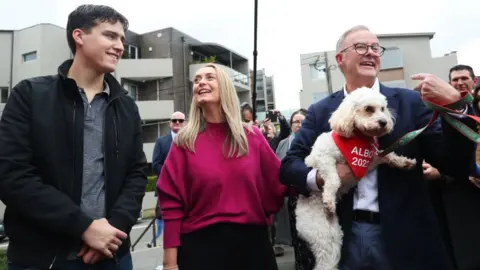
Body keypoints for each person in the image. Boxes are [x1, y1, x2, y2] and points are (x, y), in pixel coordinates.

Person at [280, 25, 476, 270]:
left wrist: (456, 108)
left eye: (375, 48)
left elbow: (455, 164)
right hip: (345, 235)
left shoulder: (410, 102)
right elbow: (289, 166)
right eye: (361, 47)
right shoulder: (321, 111)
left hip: (405, 237)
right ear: (340, 59)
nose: (371, 52)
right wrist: (323, 179)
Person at [0, 4, 147, 269]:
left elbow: (136, 174)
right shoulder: (30, 96)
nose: (120, 46)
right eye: (110, 36)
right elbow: (12, 175)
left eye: (122, 40)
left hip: (112, 255)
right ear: (79, 36)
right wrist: (84, 227)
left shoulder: (126, 106)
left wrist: (112, 230)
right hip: (43, 258)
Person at [158, 64, 287, 270]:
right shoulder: (184, 142)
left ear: (225, 86)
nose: (201, 82)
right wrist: (170, 264)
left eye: (210, 77)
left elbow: (280, 183)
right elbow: (171, 204)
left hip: (252, 247)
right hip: (200, 250)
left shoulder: (252, 137)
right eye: (197, 79)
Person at [422, 64, 480, 270]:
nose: (459, 83)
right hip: (460, 198)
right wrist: (440, 173)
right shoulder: (441, 114)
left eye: (464, 78)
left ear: (474, 81)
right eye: (455, 80)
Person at [149, 111, 186, 248]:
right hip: (167, 188)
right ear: (169, 123)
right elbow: (156, 164)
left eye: (180, 120)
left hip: (187, 190)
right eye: (174, 120)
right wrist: (170, 177)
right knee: (167, 221)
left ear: (185, 123)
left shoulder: (191, 139)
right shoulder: (161, 141)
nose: (177, 123)